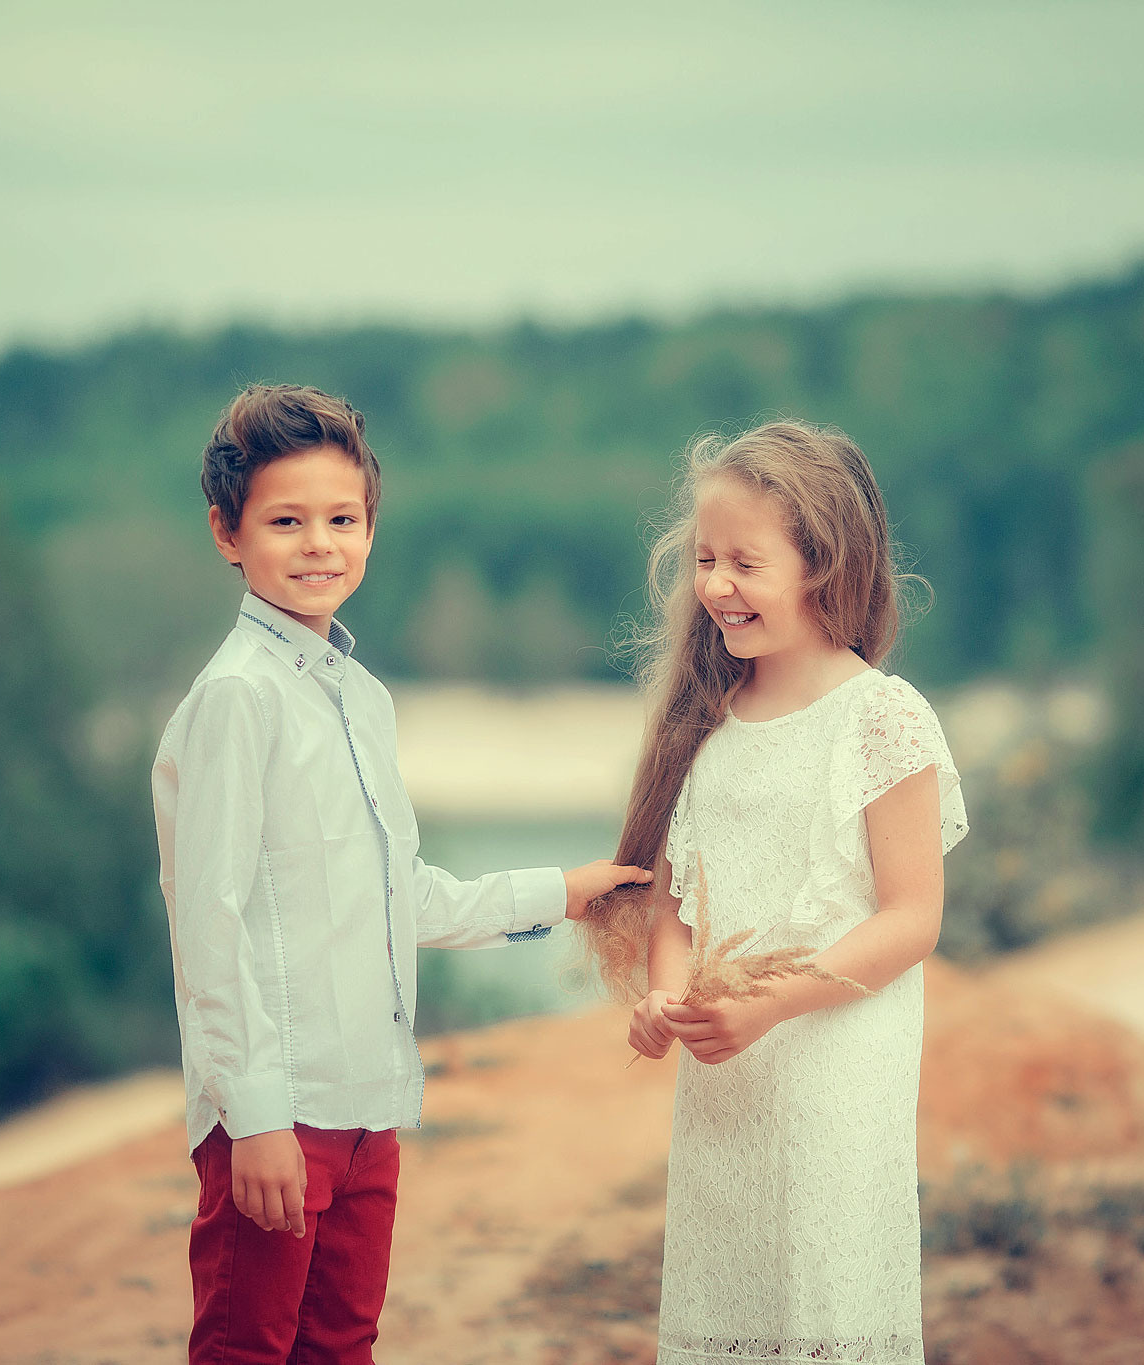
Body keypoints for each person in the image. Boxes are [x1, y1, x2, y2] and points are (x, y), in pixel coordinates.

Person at [153, 382, 652, 1365]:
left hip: (367, 1103)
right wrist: (252, 1119)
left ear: (371, 530)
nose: (317, 545)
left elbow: (400, 894)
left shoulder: (363, 702)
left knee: (341, 1348)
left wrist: (559, 891)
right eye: (285, 521)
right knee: (246, 1348)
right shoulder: (235, 704)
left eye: (341, 519)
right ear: (227, 532)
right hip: (278, 1112)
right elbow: (206, 924)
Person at [584, 419, 969, 1365]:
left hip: (835, 1088)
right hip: (726, 1099)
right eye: (705, 558)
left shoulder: (882, 717)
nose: (715, 584)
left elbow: (913, 916)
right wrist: (666, 994)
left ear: (825, 565)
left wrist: (770, 1001)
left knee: (823, 1308)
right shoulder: (709, 727)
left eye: (744, 562)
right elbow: (678, 906)